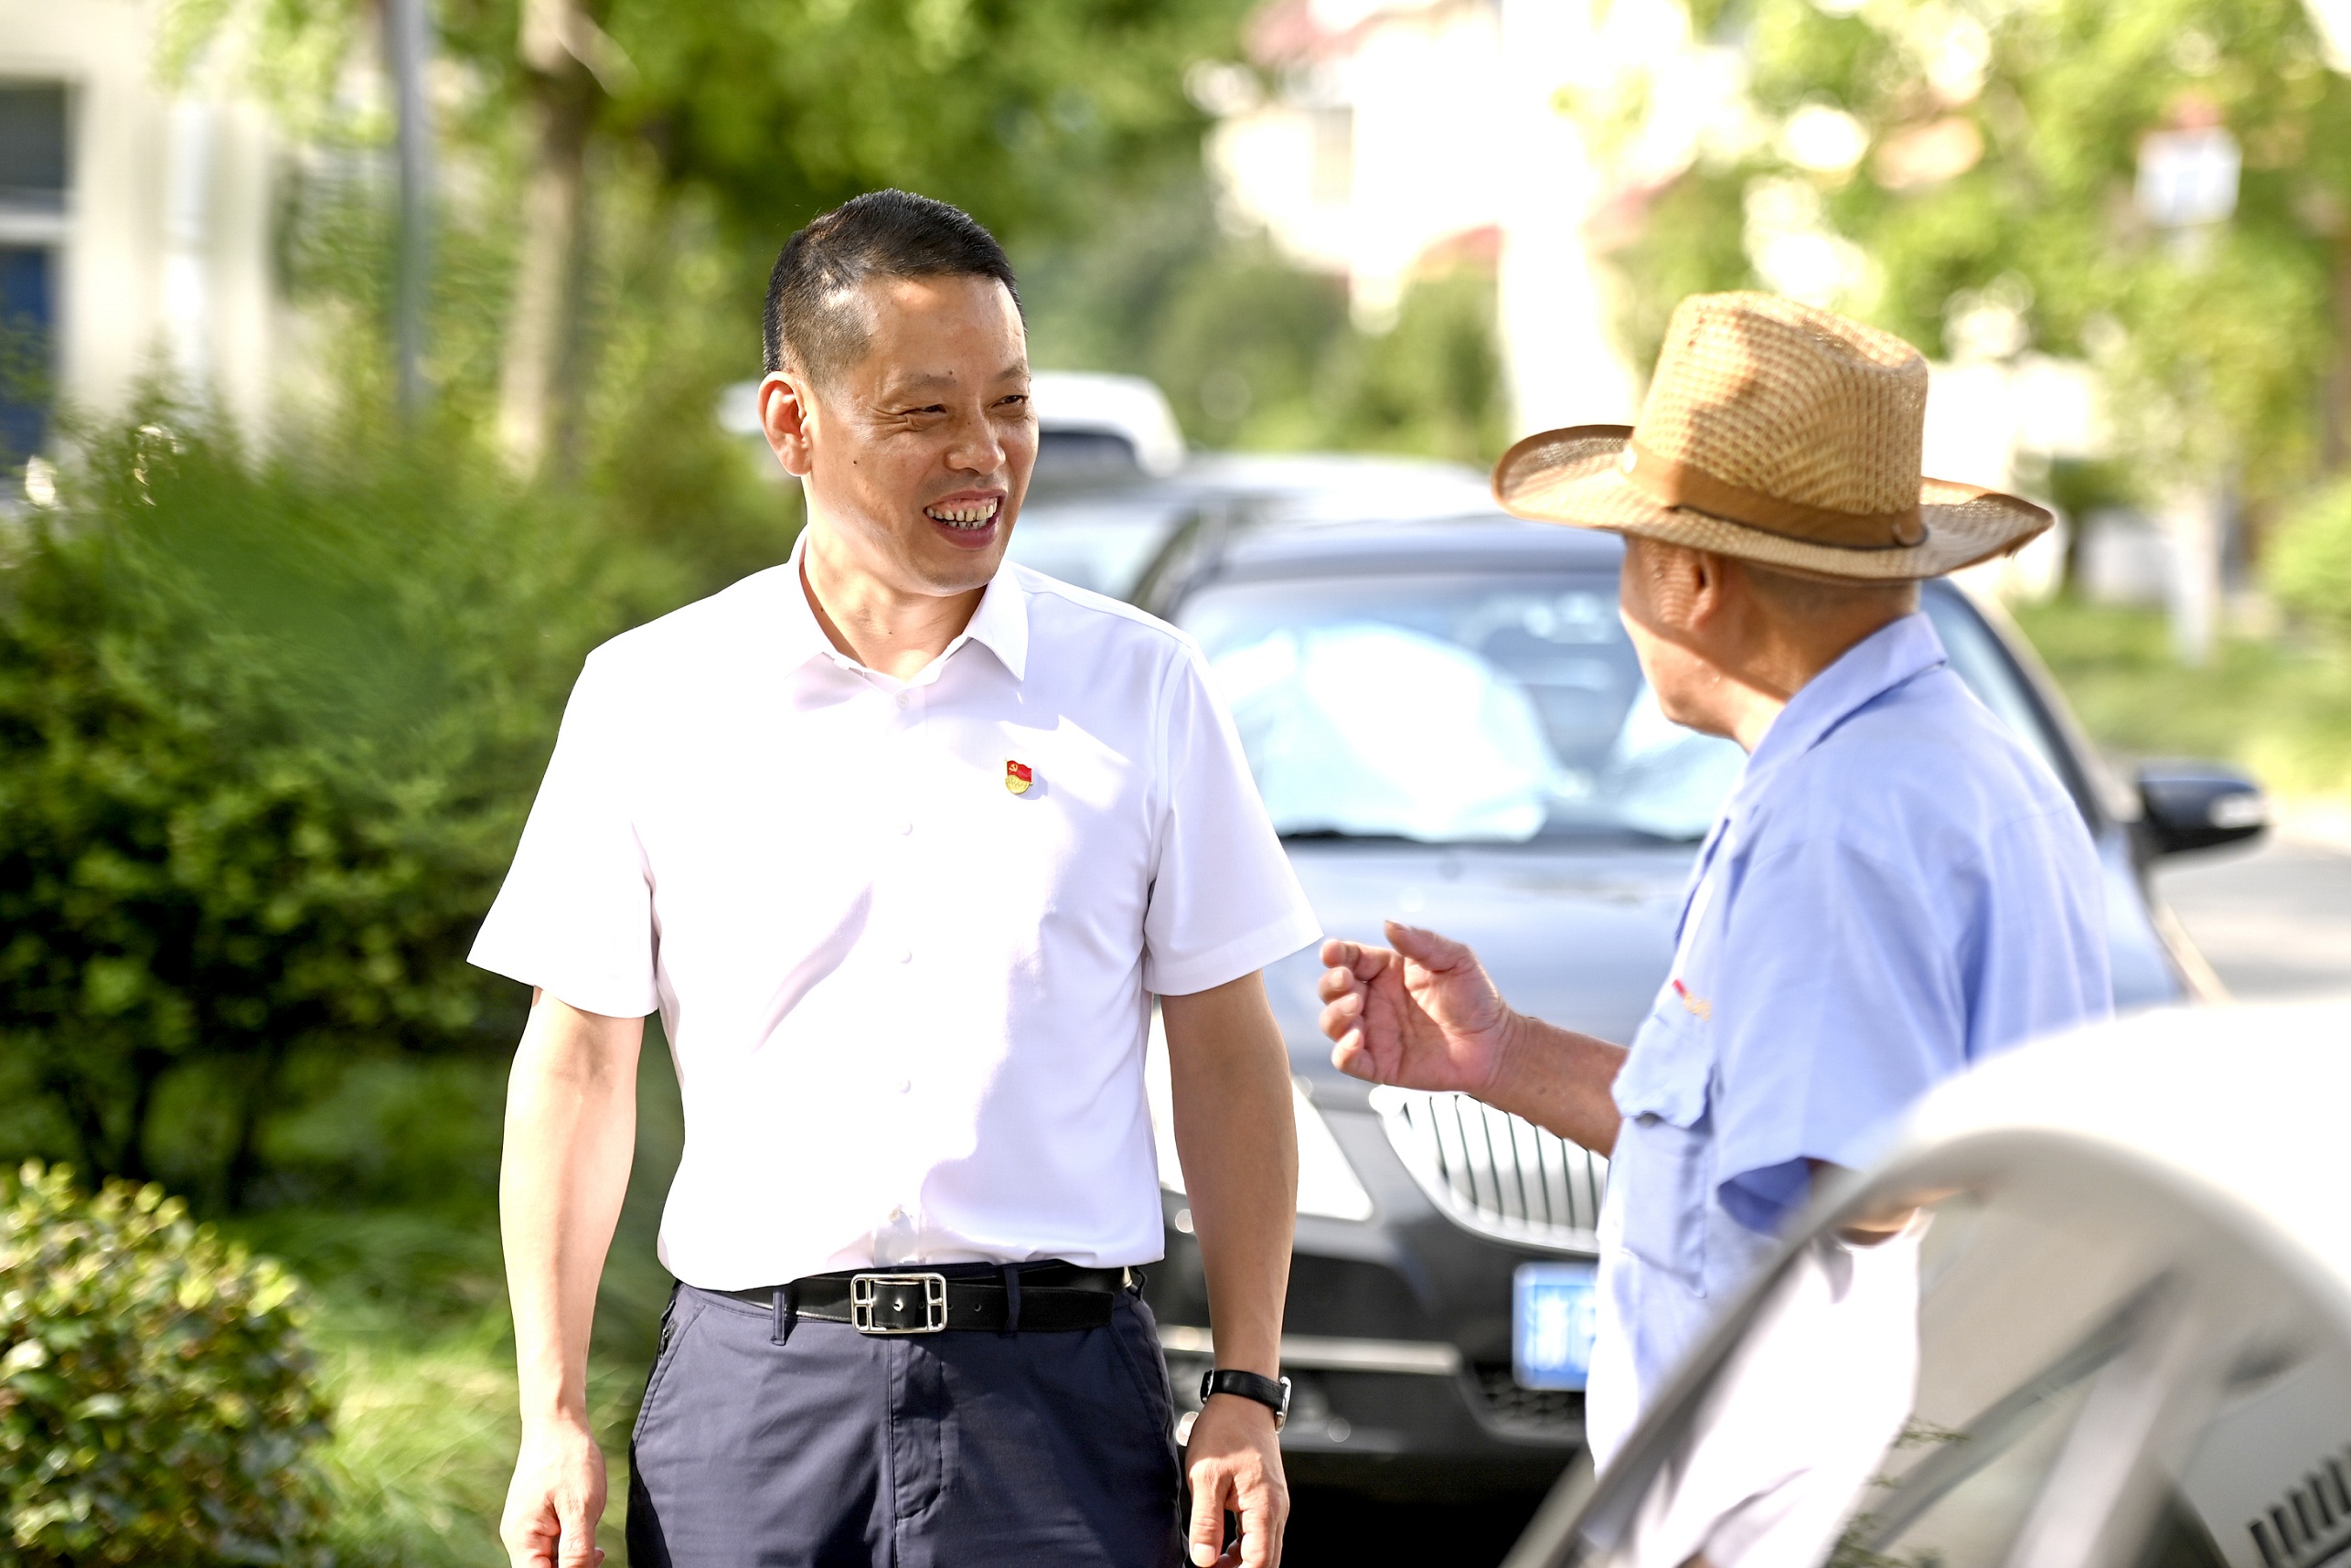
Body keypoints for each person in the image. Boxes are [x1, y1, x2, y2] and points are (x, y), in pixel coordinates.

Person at [476, 190, 1317, 1568]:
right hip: (756, 1403)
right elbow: (577, 1069)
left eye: (1012, 404)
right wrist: (551, 1411)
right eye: (925, 413)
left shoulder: (1145, 687)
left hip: (1057, 1406)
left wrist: (1245, 1385)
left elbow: (1228, 1054)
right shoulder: (652, 696)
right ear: (793, 422)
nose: (983, 453)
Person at [1315, 291, 2111, 1473]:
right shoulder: (1920, 765)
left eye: (1629, 554)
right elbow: (1764, 1150)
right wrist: (1503, 1055)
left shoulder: (1837, 815)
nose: (1623, 599)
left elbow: (1850, 1220)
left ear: (1689, 576)